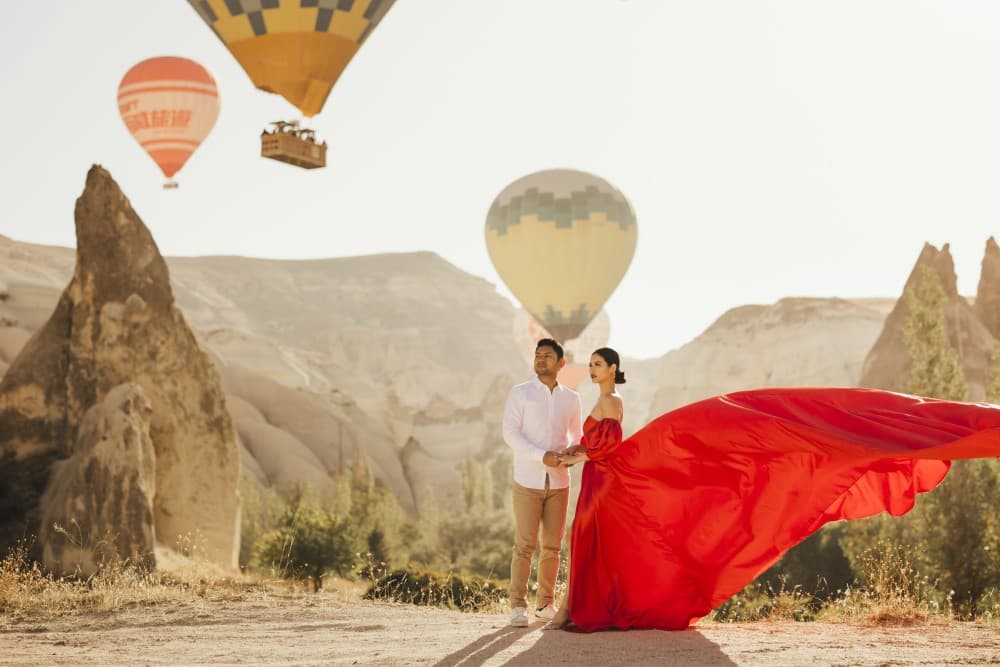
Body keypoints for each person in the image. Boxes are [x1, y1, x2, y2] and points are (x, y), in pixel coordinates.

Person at [546, 347, 1000, 631]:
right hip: (600, 477)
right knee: (590, 539)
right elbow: (596, 446)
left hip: (606, 476)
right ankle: (575, 609)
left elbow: (607, 443)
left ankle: (577, 610)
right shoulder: (601, 399)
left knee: (590, 536)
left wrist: (579, 454)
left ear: (613, 370)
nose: (593, 371)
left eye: (599, 365)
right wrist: (579, 454)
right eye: (592, 366)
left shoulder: (612, 400)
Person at [502, 338, 583, 627]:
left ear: (561, 363)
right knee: (524, 545)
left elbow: (576, 436)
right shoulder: (520, 393)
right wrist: (541, 456)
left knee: (553, 546)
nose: (540, 360)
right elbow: (510, 434)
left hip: (560, 481)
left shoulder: (572, 399)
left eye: (547, 356)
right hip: (527, 479)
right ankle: (517, 607)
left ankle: (545, 605)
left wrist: (573, 451)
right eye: (537, 355)